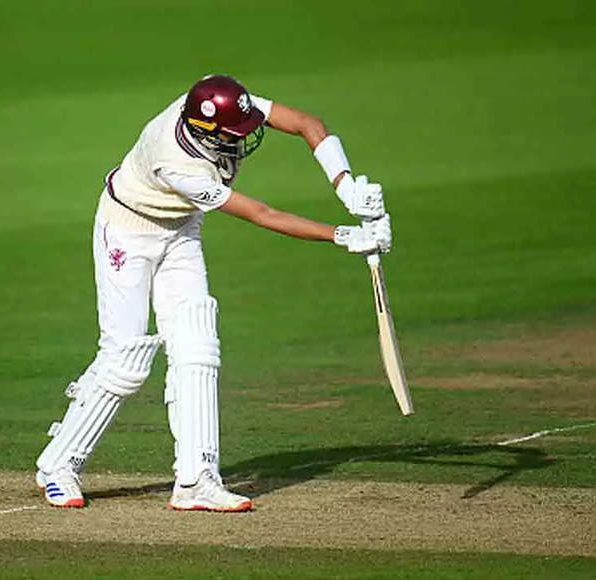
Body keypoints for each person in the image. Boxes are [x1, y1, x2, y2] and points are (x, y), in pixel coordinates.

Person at [35, 74, 391, 511]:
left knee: (198, 348)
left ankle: (196, 480)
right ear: (206, 130)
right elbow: (262, 214)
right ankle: (58, 464)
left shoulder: (220, 101)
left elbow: (306, 122)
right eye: (234, 132)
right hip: (128, 233)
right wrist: (342, 235)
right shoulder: (176, 162)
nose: (246, 136)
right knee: (125, 360)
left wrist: (348, 187)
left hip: (182, 230)